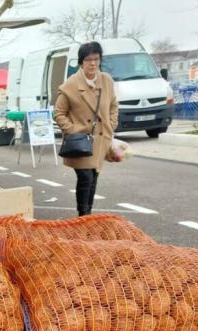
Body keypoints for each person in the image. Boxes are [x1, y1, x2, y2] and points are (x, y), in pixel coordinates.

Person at [54, 41, 118, 216]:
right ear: (81, 62)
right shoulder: (70, 85)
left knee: (94, 177)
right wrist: (73, 130)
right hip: (80, 141)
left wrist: (111, 124)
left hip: (100, 140)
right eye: (88, 59)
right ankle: (83, 215)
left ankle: (87, 214)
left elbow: (113, 105)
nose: (92, 63)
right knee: (85, 177)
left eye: (96, 59)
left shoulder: (106, 80)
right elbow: (59, 113)